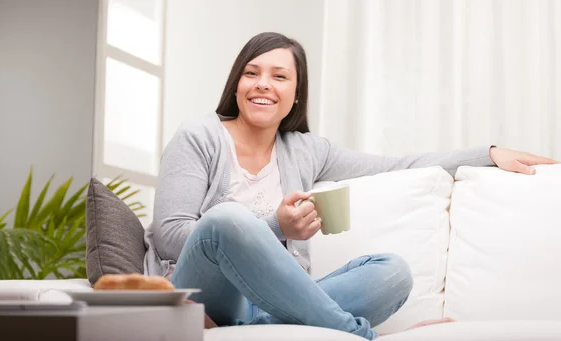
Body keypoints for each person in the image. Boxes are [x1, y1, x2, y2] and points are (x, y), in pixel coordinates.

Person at [144, 32, 559, 339]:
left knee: (392, 272)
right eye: (251, 73)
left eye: (279, 76)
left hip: (270, 302)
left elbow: (399, 164)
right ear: (237, 83)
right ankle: (364, 336)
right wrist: (276, 228)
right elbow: (168, 235)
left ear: (295, 92)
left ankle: (272, 328)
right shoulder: (199, 135)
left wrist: (487, 153)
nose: (263, 84)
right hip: (204, 296)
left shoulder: (307, 150)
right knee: (226, 220)